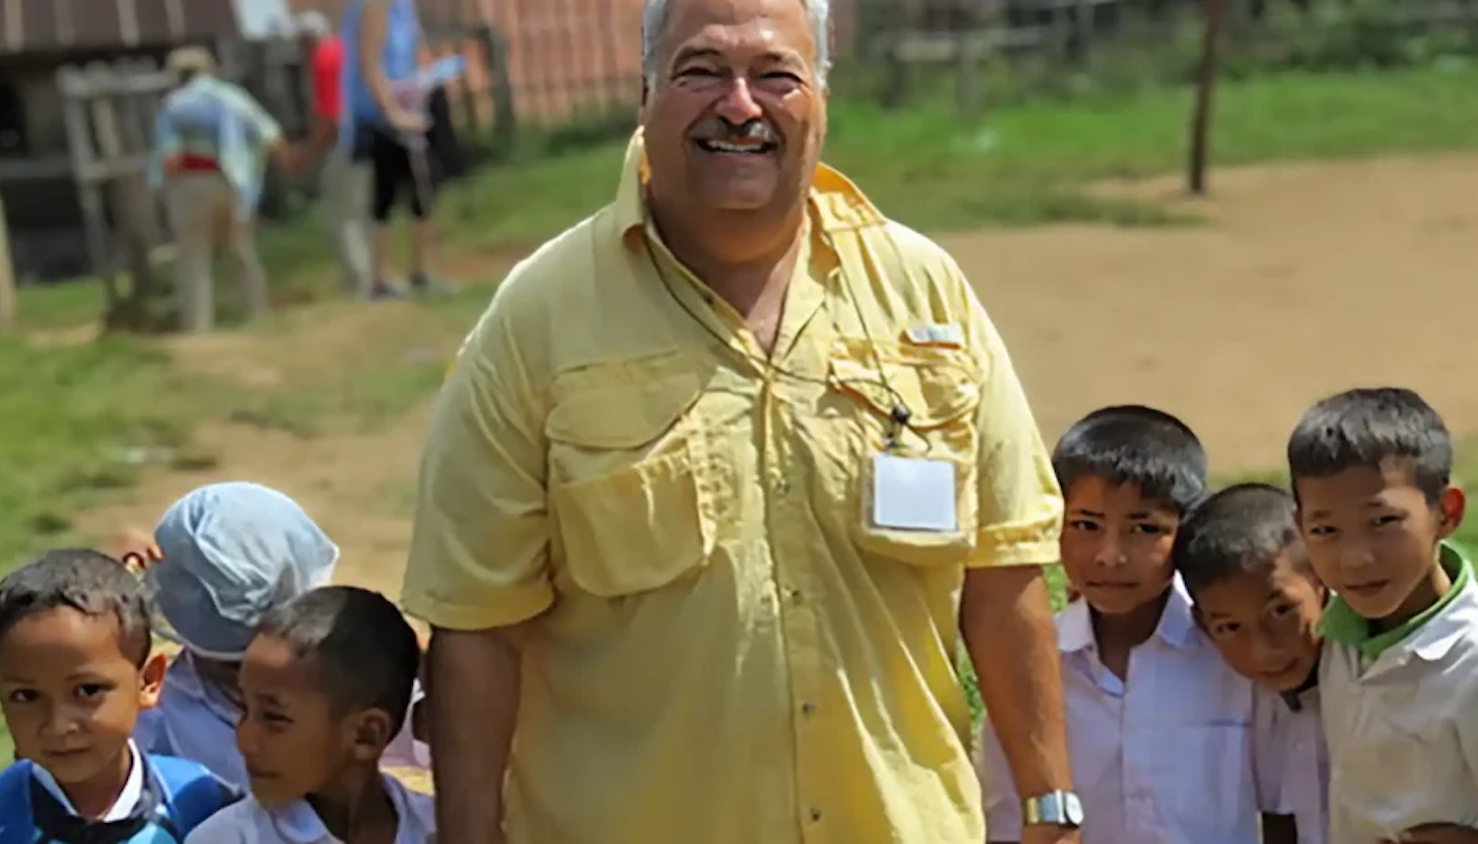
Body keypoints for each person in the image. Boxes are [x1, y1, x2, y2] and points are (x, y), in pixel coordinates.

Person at [401, 0, 1077, 841]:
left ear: (821, 98)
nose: (740, 105)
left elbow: (1002, 565)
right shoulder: (538, 322)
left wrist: (1051, 804)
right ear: (646, 93)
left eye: (775, 75)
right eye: (702, 71)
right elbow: (478, 627)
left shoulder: (923, 294)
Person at [979, 405, 1280, 844]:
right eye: (1085, 525)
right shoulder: (1031, 665)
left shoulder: (1232, 653)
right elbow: (1005, 820)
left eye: (1144, 529)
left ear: (1188, 531)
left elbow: (1282, 807)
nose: (1110, 556)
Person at [1288, 387, 1477, 844]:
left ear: (1446, 513)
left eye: (1383, 522)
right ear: (1300, 529)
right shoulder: (1333, 630)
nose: (1353, 559)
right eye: (1325, 529)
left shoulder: (1470, 664)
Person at [0, 549, 240, 841]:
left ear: (148, 682)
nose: (59, 725)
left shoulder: (202, 803)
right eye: (27, 696)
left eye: (87, 690)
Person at [183, 586, 433, 843]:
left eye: (274, 717)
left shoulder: (441, 829)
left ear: (365, 734)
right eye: (244, 708)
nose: (244, 741)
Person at [132, 481, 341, 788]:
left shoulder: (343, 681)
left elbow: (422, 725)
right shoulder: (161, 714)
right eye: (232, 664)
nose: (250, 677)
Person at [1174, 482, 1329, 844]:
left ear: (1322, 579)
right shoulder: (1250, 699)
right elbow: (1279, 815)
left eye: (1281, 611)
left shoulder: (1374, 675)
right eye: (1230, 627)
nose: (1264, 651)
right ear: (1204, 626)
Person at [149, 46, 296, 333]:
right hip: (232, 181)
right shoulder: (233, 98)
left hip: (191, 182)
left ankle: (198, 325)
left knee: (193, 256)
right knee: (241, 250)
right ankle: (256, 314)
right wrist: (287, 163)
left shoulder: (174, 105)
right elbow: (270, 134)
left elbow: (169, 157)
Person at [342, 0, 452, 297]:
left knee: (416, 191)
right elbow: (370, 61)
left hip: (406, 102)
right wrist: (392, 112)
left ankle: (415, 271)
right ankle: (389, 276)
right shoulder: (375, 6)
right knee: (395, 193)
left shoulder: (404, 7)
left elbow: (414, 53)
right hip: (383, 116)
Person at [298, 10, 375, 299]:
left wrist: (308, 154)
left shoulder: (323, 60)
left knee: (340, 216)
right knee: (362, 210)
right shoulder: (345, 51)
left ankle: (359, 281)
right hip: (369, 137)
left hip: (345, 142)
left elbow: (329, 115)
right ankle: (373, 274)